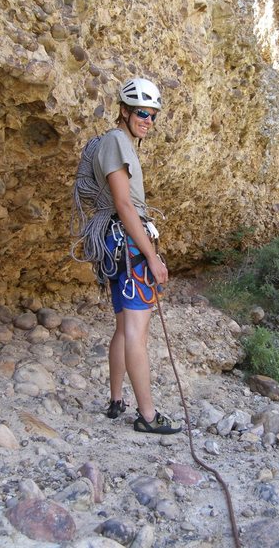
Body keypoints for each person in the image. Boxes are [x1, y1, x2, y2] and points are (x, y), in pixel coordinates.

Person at [72, 78, 181, 435]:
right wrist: (151, 256)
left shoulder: (116, 143)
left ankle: (117, 400)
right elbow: (123, 203)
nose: (148, 120)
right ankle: (147, 416)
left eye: (152, 115)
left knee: (123, 327)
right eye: (142, 113)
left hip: (115, 244)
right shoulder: (117, 142)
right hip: (129, 246)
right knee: (136, 331)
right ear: (124, 110)